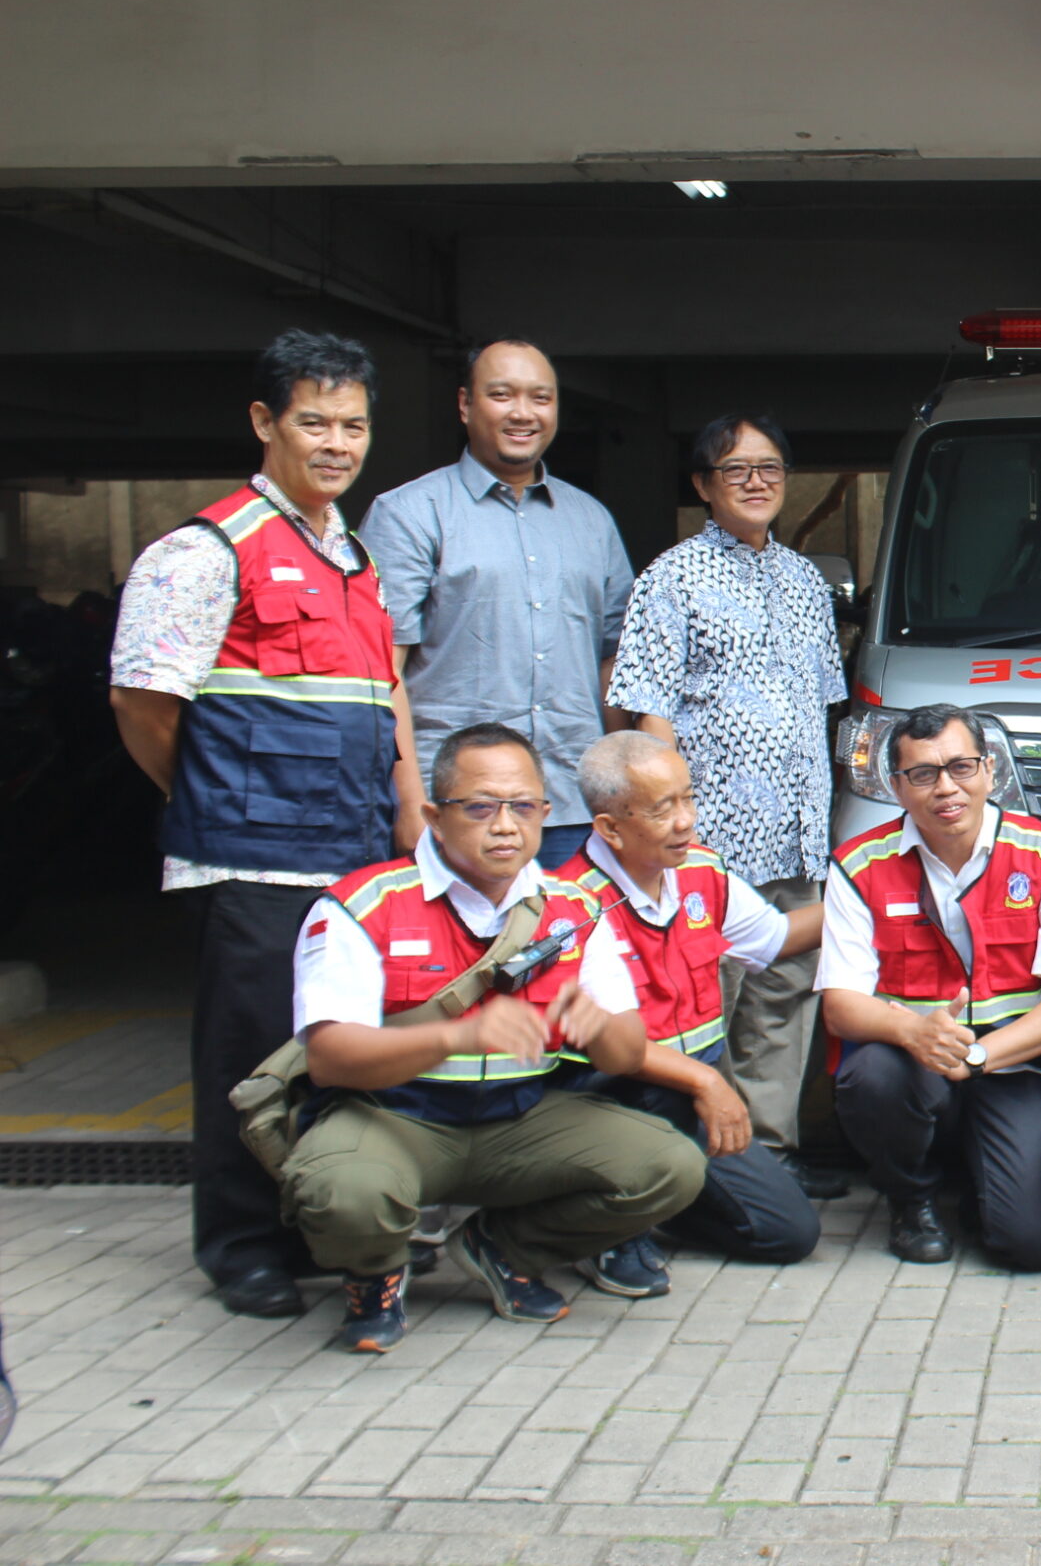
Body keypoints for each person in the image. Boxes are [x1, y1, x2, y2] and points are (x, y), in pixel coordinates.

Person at [107, 329, 425, 1320]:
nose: (336, 443)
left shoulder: (355, 555)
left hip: (354, 860)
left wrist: (409, 818)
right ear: (266, 422)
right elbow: (142, 706)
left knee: (334, 1050)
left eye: (353, 425)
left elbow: (386, 696)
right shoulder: (205, 551)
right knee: (249, 1059)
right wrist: (207, 796)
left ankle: (314, 1224)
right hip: (252, 857)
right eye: (314, 421)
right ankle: (243, 1246)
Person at [280, 724, 705, 1354]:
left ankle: (502, 1248)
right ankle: (375, 1272)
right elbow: (330, 1058)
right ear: (434, 816)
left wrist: (600, 1025)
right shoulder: (361, 904)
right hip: (395, 1115)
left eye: (523, 807)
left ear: (544, 813)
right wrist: (460, 1036)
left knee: (670, 1168)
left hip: (520, 1117)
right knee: (344, 1194)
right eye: (480, 807)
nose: (505, 826)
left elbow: (625, 1055)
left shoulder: (574, 908)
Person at [608, 413, 849, 1202]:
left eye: (770, 466)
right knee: (712, 1000)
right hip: (711, 838)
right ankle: (699, 1165)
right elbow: (647, 712)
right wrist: (670, 828)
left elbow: (821, 708)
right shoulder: (670, 578)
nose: (755, 480)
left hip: (797, 833)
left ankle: (770, 1155)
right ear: (704, 485)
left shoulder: (806, 580)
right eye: (735, 468)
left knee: (784, 999)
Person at [818, 705, 1041, 1270]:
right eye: (923, 774)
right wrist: (913, 1030)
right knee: (871, 1073)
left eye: (961, 767)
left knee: (1032, 1245)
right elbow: (841, 1006)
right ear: (896, 787)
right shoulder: (859, 865)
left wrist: (978, 1056)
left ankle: (990, 1190)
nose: (945, 788)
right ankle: (912, 1199)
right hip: (915, 1062)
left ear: (990, 770)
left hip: (1016, 1063)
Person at [552, 731, 825, 1295]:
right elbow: (607, 1048)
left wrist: (866, 892)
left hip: (686, 1099)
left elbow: (776, 939)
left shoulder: (699, 871)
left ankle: (656, 1203)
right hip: (610, 1099)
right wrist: (706, 1080)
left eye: (688, 798)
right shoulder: (568, 904)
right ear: (608, 828)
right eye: (662, 809)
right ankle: (595, 1224)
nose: (686, 821)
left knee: (787, 1232)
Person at [363, 337, 634, 869]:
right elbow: (380, 673)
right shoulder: (409, 514)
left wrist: (621, 793)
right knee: (458, 954)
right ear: (465, 405)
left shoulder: (591, 521)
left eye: (540, 397)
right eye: (502, 395)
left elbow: (614, 663)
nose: (522, 413)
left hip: (571, 807)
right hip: (459, 808)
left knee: (574, 951)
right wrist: (409, 803)